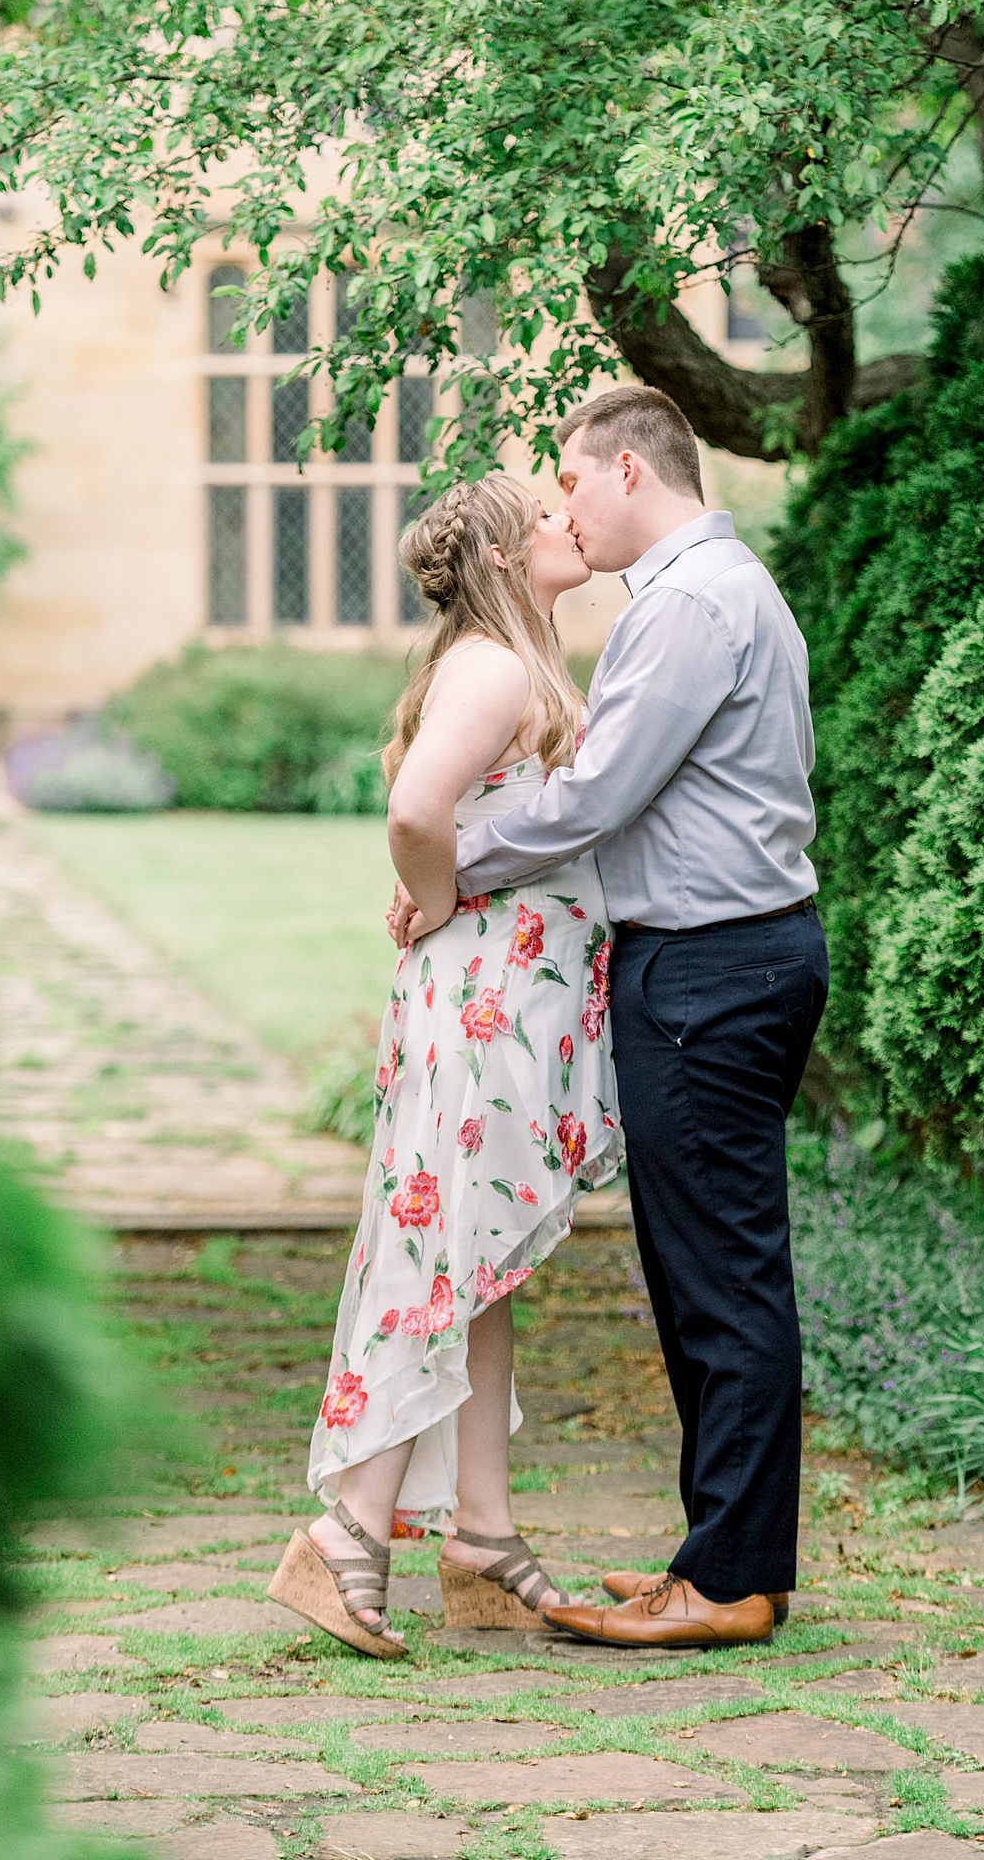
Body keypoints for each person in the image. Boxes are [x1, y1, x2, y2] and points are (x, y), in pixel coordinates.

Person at [396, 385, 827, 1650]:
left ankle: (732, 1582)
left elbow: (592, 800)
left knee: (724, 1281)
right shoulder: (707, 591)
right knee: (701, 1275)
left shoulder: (691, 603)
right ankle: (721, 1556)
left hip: (712, 970)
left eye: (570, 485)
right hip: (719, 964)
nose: (565, 512)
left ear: (629, 471)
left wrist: (452, 870)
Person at [269, 477, 621, 1658]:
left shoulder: (506, 659)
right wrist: (433, 903)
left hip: (501, 1001)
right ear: (512, 557)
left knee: (478, 1264)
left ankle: (480, 1533)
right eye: (549, 516)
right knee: (436, 1253)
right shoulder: (493, 668)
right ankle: (347, 1534)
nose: (572, 522)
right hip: (483, 1002)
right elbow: (418, 814)